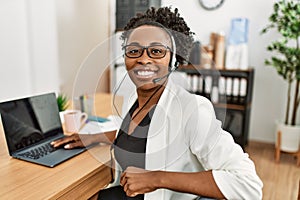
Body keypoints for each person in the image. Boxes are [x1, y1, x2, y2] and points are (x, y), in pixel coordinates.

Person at [51, 7, 263, 200]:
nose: (143, 59)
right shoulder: (134, 101)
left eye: (156, 51)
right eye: (134, 50)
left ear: (173, 60)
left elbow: (248, 185)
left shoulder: (192, 110)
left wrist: (156, 178)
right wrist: (93, 137)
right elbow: (141, 135)